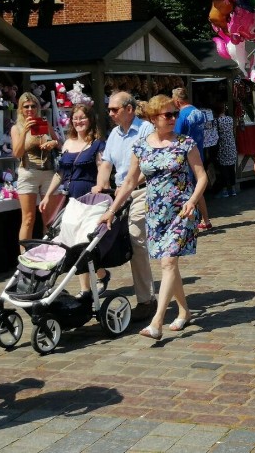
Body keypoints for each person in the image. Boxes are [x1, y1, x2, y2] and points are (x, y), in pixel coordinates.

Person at [99, 94, 208, 340]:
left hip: (182, 210)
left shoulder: (185, 143)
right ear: (153, 118)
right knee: (170, 264)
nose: (173, 119)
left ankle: (156, 322)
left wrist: (192, 201)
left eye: (175, 114)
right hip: (156, 213)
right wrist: (111, 210)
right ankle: (184, 311)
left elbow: (202, 177)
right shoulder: (141, 146)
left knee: (168, 263)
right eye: (167, 115)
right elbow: (128, 182)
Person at [92, 92, 157, 322]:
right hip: (118, 192)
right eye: (109, 109)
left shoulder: (146, 130)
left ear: (129, 109)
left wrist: (128, 186)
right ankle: (92, 287)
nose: (110, 114)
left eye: (114, 109)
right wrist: (100, 185)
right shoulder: (114, 135)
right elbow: (106, 163)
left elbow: (147, 167)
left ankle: (146, 300)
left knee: (136, 238)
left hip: (141, 190)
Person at [39, 104, 109, 299]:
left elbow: (102, 170)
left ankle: (95, 280)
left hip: (89, 196)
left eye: (82, 118)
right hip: (71, 198)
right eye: (75, 118)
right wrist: (47, 195)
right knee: (72, 242)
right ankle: (87, 287)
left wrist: (101, 188)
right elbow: (60, 173)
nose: (78, 122)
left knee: (84, 243)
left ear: (90, 120)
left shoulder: (97, 144)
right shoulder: (68, 143)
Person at [12, 92, 62, 242]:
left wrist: (53, 143)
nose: (30, 109)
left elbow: (59, 144)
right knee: (28, 218)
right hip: (28, 173)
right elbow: (17, 153)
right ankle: (23, 256)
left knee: (49, 218)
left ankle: (49, 253)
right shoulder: (17, 128)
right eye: (26, 106)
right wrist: (25, 131)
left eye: (33, 106)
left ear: (38, 108)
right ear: (20, 109)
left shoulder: (45, 124)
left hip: (48, 173)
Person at [172, 87, 212, 232]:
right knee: (197, 189)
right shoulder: (199, 113)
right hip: (198, 151)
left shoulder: (182, 116)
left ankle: (189, 222)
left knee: (187, 189)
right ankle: (205, 219)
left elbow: (175, 136)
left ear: (177, 101)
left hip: (186, 155)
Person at [213, 102, 237, 197]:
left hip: (223, 146)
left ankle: (225, 190)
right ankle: (233, 189)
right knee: (231, 169)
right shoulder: (230, 119)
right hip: (231, 145)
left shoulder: (216, 121)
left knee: (224, 170)